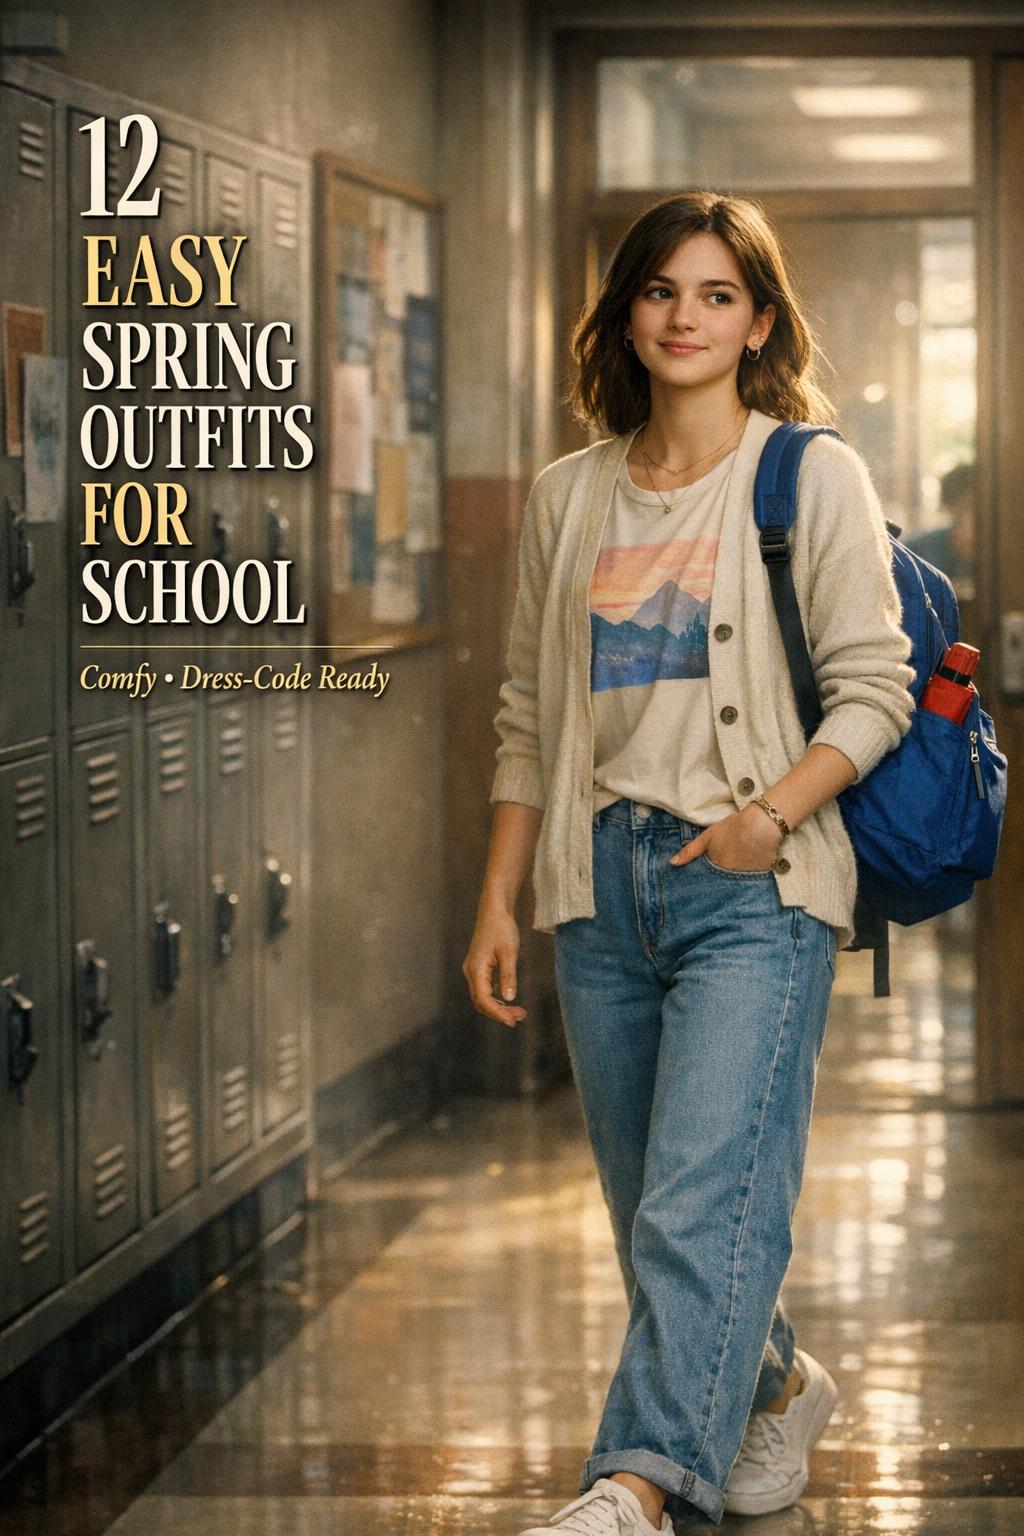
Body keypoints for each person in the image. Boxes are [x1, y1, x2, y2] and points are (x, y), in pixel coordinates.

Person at [462, 190, 915, 1533]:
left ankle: (636, 1488)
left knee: (697, 1199)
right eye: (662, 291)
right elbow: (527, 719)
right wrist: (498, 896)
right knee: (654, 1209)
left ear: (758, 322)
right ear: (628, 314)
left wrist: (770, 816)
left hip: (752, 889)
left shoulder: (808, 474)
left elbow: (877, 693)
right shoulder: (569, 498)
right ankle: (771, 1381)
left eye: (717, 295)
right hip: (597, 889)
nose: (685, 317)